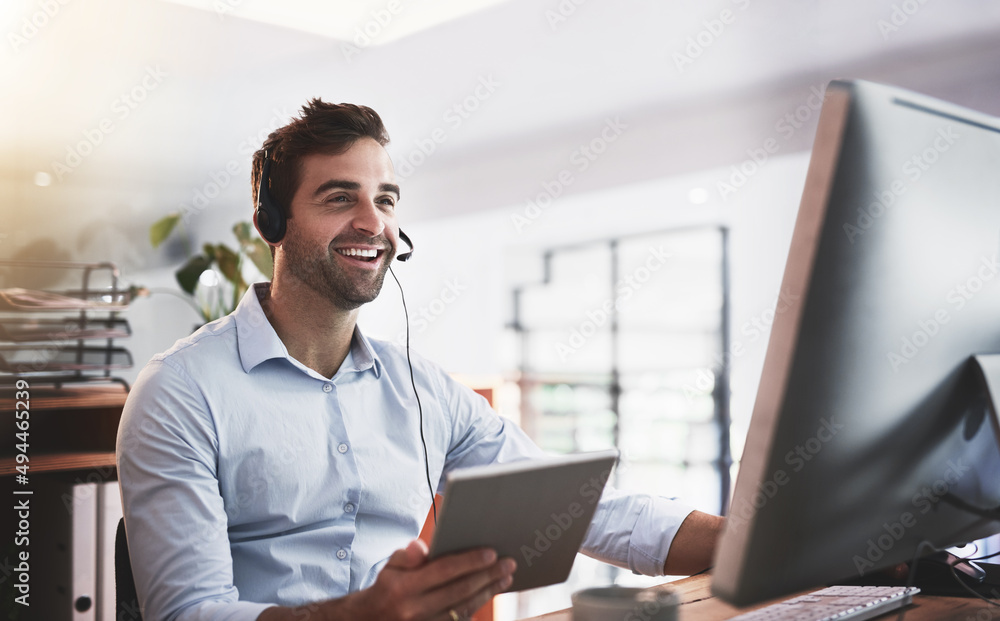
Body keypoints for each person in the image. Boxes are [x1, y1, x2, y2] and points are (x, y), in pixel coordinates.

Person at [116, 99, 724, 621]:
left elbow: (580, 510)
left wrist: (741, 542)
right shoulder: (181, 390)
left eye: (385, 199)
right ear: (271, 224)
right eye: (338, 197)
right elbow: (187, 612)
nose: (372, 221)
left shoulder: (423, 390)